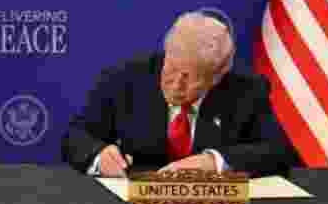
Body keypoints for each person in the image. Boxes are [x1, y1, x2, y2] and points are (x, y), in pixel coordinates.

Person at [63, 11, 295, 176]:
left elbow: (278, 151)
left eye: (190, 77)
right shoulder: (124, 79)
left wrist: (213, 162)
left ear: (216, 77)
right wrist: (99, 156)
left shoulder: (247, 90)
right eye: (171, 68)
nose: (175, 85)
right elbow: (76, 136)